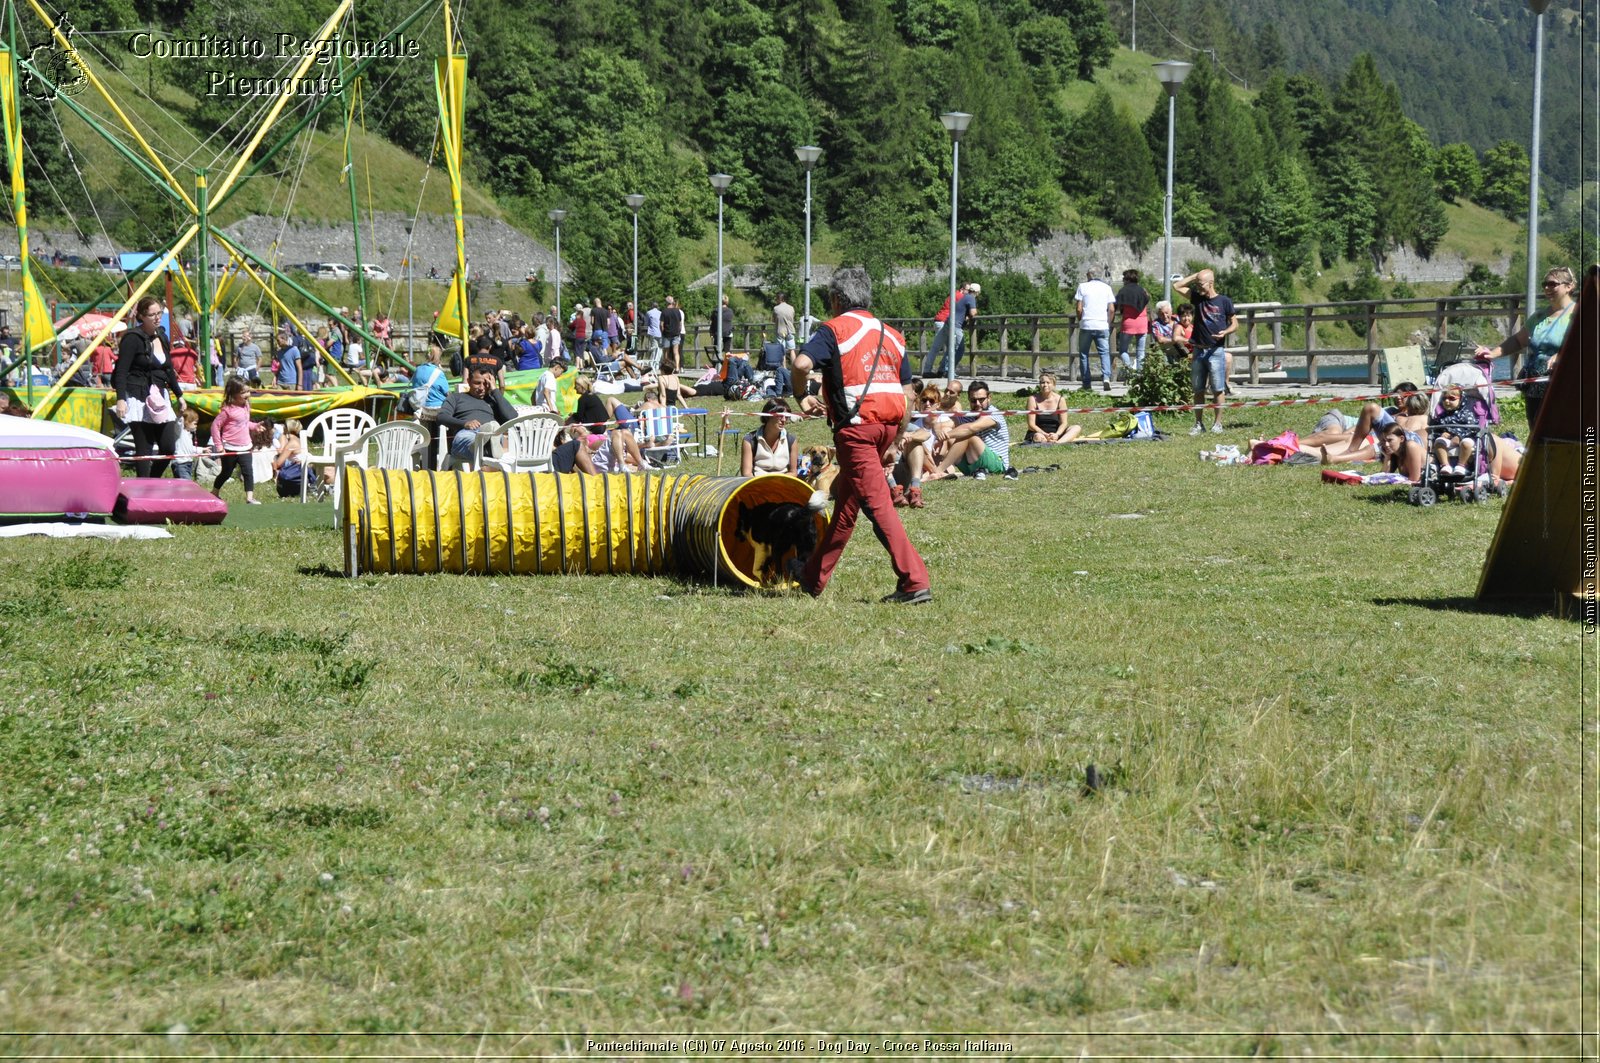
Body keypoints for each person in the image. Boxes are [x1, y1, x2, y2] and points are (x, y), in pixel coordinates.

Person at [792, 265, 932, 604]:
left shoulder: (833, 330)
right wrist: (896, 437)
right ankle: (812, 578)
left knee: (879, 506)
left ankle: (914, 581)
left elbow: (800, 365)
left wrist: (801, 395)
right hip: (887, 425)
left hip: (855, 430)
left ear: (837, 299)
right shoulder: (894, 335)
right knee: (846, 510)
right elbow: (908, 394)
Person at [1478, 264, 1576, 429]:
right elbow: (1517, 341)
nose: (1547, 288)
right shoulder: (1538, 316)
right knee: (1537, 433)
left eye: (1552, 284)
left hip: (1566, 387)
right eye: (1544, 284)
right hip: (1535, 388)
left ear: (1569, 286)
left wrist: (1561, 356)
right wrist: (1492, 353)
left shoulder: (1579, 314)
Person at [112, 296, 186, 478]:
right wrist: (121, 398)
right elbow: (121, 371)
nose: (157, 317)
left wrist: (179, 395)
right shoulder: (132, 338)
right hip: (138, 396)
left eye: (159, 313)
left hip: (159, 395)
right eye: (152, 314)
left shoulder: (162, 335)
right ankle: (143, 489)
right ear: (142, 316)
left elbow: (168, 368)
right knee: (143, 450)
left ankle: (152, 480)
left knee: (168, 447)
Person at [1174, 268, 1237, 434]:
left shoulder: (1224, 301)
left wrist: (1226, 332)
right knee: (1198, 389)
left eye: (1201, 284)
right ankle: (1198, 423)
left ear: (1211, 283)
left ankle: (1217, 424)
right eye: (1197, 284)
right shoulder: (1197, 298)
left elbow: (1235, 323)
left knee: (1217, 389)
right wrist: (1196, 276)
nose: (1198, 287)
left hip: (1215, 351)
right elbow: (1177, 286)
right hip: (1198, 351)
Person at [926, 380, 1016, 481]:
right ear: (968, 399)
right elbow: (945, 425)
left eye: (981, 400)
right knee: (949, 431)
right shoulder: (968, 415)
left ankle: (937, 471)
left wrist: (944, 437)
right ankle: (931, 468)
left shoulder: (994, 413)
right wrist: (938, 429)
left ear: (989, 398)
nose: (977, 404)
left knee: (967, 435)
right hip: (972, 467)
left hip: (997, 465)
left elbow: (970, 428)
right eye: (973, 400)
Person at [438, 367, 518, 465]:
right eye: (477, 383)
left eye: (485, 383)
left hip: (493, 435)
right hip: (467, 433)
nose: (481, 388)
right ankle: (480, 448)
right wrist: (464, 424)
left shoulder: (493, 400)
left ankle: (483, 447)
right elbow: (441, 416)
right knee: (468, 437)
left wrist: (495, 390)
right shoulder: (456, 397)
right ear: (468, 381)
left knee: (493, 431)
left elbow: (512, 418)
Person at [209, 377, 262, 503]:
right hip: (230, 447)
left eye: (248, 391)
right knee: (226, 473)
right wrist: (219, 446)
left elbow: (244, 423)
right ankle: (214, 492)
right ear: (233, 393)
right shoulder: (227, 410)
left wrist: (254, 426)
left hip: (245, 446)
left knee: (248, 471)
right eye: (243, 392)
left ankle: (249, 498)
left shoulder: (246, 406)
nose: (247, 395)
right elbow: (215, 426)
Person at [921, 282, 978, 378]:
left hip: (942, 321)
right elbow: (970, 310)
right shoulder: (961, 296)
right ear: (962, 289)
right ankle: (944, 370)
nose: (968, 292)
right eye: (967, 290)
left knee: (939, 348)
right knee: (953, 348)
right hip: (946, 322)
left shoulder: (954, 295)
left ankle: (933, 370)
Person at [1073, 268, 1116, 391]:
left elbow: (1079, 308)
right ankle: (1106, 378)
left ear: (1089, 275)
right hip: (1102, 325)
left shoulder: (1082, 287)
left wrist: (1081, 320)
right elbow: (1112, 309)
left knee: (1083, 354)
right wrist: (1108, 323)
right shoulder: (1107, 288)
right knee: (1104, 353)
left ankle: (1086, 383)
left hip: (1087, 324)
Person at [1430, 385, 1479, 479]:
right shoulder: (1441, 417)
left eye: (1451, 398)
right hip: (1448, 440)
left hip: (1466, 438)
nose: (1447, 401)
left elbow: (1472, 429)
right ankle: (1445, 465)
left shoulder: (1466, 414)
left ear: (1461, 400)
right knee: (1439, 442)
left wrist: (1459, 436)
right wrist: (1441, 434)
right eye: (1444, 399)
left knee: (1466, 443)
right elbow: (1435, 430)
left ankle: (1461, 465)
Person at [741, 398, 799, 476]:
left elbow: (793, 472)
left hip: (782, 483)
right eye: (780, 416)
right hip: (757, 483)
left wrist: (776, 482)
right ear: (768, 416)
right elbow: (746, 473)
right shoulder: (750, 440)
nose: (784, 420)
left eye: (787, 417)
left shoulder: (791, 441)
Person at [1113, 269, 1151, 378]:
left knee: (1123, 350)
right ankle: (1140, 376)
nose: (1123, 280)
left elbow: (1116, 305)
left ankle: (1130, 370)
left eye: (1124, 278)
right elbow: (1147, 299)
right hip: (1142, 322)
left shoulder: (1123, 291)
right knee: (1141, 352)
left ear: (1127, 279)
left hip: (1128, 322)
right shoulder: (1142, 290)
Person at [1025, 372, 1080, 444]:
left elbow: (1064, 423)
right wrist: (1045, 434)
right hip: (1039, 432)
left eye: (1048, 382)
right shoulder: (1032, 399)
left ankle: (1058, 443)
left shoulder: (1060, 399)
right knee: (1038, 437)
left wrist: (1057, 434)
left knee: (1076, 428)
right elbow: (1031, 425)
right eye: (1042, 382)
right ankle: (1049, 441)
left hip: (1057, 433)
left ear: (1054, 385)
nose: (1045, 385)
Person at [272, 418, 309, 498]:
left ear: (287, 428)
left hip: (297, 471)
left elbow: (278, 464)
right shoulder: (298, 440)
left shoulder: (292, 443)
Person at [173, 407, 200, 481]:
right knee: (186, 483)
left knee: (184, 484)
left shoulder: (189, 434)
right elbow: (178, 423)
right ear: (187, 422)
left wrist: (203, 449)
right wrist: (180, 415)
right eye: (195, 423)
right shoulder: (180, 432)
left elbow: (190, 448)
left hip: (189, 463)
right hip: (180, 464)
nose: (196, 425)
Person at [717, 295, 734, 359]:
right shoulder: (730, 311)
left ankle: (716, 365)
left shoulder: (716, 311)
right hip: (728, 333)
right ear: (727, 302)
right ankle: (727, 364)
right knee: (727, 351)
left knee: (716, 350)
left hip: (718, 333)